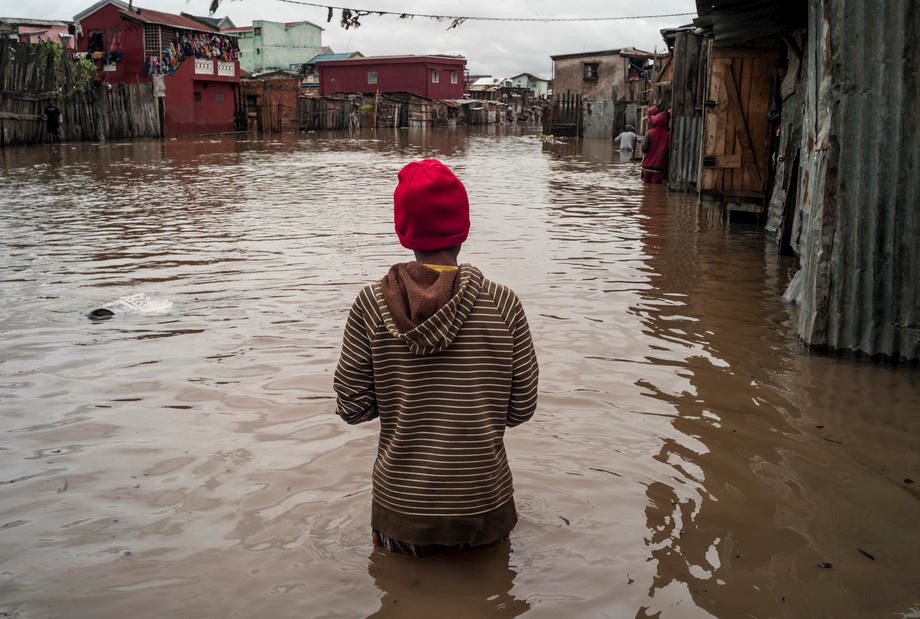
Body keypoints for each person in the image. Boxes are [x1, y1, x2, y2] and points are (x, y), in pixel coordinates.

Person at [334, 158, 540, 557]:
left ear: (404, 231)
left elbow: (353, 408)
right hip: (485, 508)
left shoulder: (370, 304)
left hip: (402, 511)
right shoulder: (503, 304)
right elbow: (521, 410)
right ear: (463, 229)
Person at [641, 110, 671, 184]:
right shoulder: (668, 135)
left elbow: (644, 149)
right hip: (659, 167)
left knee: (646, 189)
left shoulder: (649, 132)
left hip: (646, 166)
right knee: (655, 188)